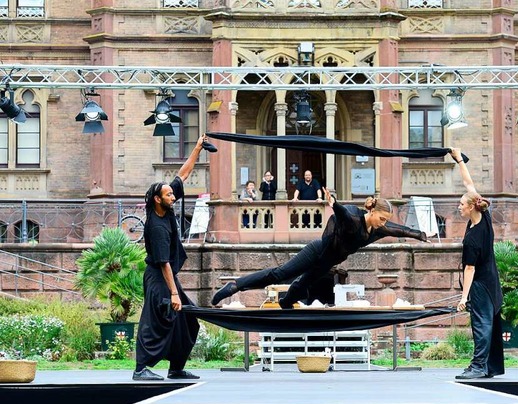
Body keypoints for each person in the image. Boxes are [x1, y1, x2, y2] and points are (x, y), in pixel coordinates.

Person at [211, 187, 431, 308]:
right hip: (316, 251)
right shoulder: (354, 218)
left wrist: (422, 235)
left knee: (301, 287)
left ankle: (285, 304)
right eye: (381, 218)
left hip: (328, 262)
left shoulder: (378, 229)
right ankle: (234, 286)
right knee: (280, 274)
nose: (383, 223)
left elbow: (401, 230)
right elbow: (342, 214)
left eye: (385, 220)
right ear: (372, 212)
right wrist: (333, 203)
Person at [132, 134, 208, 381]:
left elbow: (182, 175)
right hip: (158, 279)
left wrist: (196, 148)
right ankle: (141, 369)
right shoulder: (157, 226)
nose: (174, 197)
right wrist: (173, 293)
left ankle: (176, 367)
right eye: (169, 195)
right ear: (158, 199)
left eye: (172, 195)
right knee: (155, 322)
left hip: (167, 277)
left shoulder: (165, 205)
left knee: (187, 318)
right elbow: (163, 262)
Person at [450, 147, 504, 380]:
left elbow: (469, 268)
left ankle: (479, 366)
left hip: (481, 284)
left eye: (461, 204)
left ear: (471, 207)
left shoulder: (473, 238)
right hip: (492, 280)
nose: (459, 206)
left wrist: (464, 297)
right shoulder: (484, 217)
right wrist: (459, 159)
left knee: (481, 324)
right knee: (488, 323)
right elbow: (469, 184)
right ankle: (490, 367)